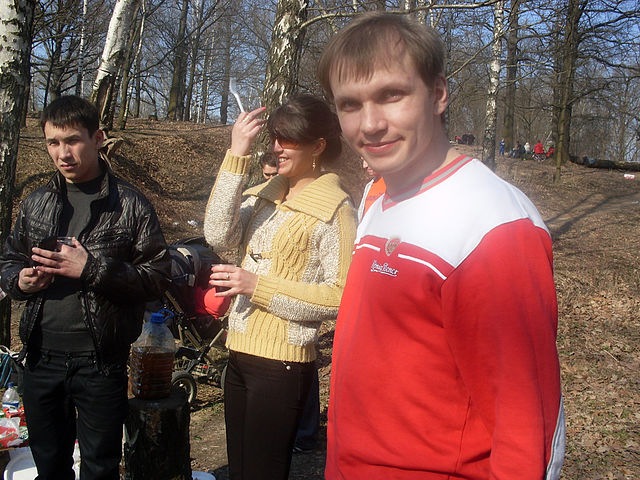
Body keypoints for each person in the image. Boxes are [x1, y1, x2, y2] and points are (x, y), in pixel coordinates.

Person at [318, 12, 565, 479]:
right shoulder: (379, 198)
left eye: (391, 95)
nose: (370, 124)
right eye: (350, 104)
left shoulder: (493, 226)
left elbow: (527, 428)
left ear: (437, 94)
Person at [0, 95, 171, 480]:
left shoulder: (130, 205)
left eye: (73, 140)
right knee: (49, 465)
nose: (63, 153)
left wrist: (91, 268)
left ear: (98, 138)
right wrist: (20, 280)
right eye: (53, 142)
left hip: (100, 362)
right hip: (40, 358)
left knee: (99, 468)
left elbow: (158, 277)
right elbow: (9, 260)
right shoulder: (36, 203)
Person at [202, 93, 357, 480]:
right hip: (238, 353)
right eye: (274, 137)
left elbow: (341, 296)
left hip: (282, 364)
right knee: (239, 471)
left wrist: (257, 286)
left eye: (288, 139)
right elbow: (217, 235)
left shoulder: (336, 211)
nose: (276, 147)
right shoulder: (265, 196)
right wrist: (237, 154)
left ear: (317, 146)